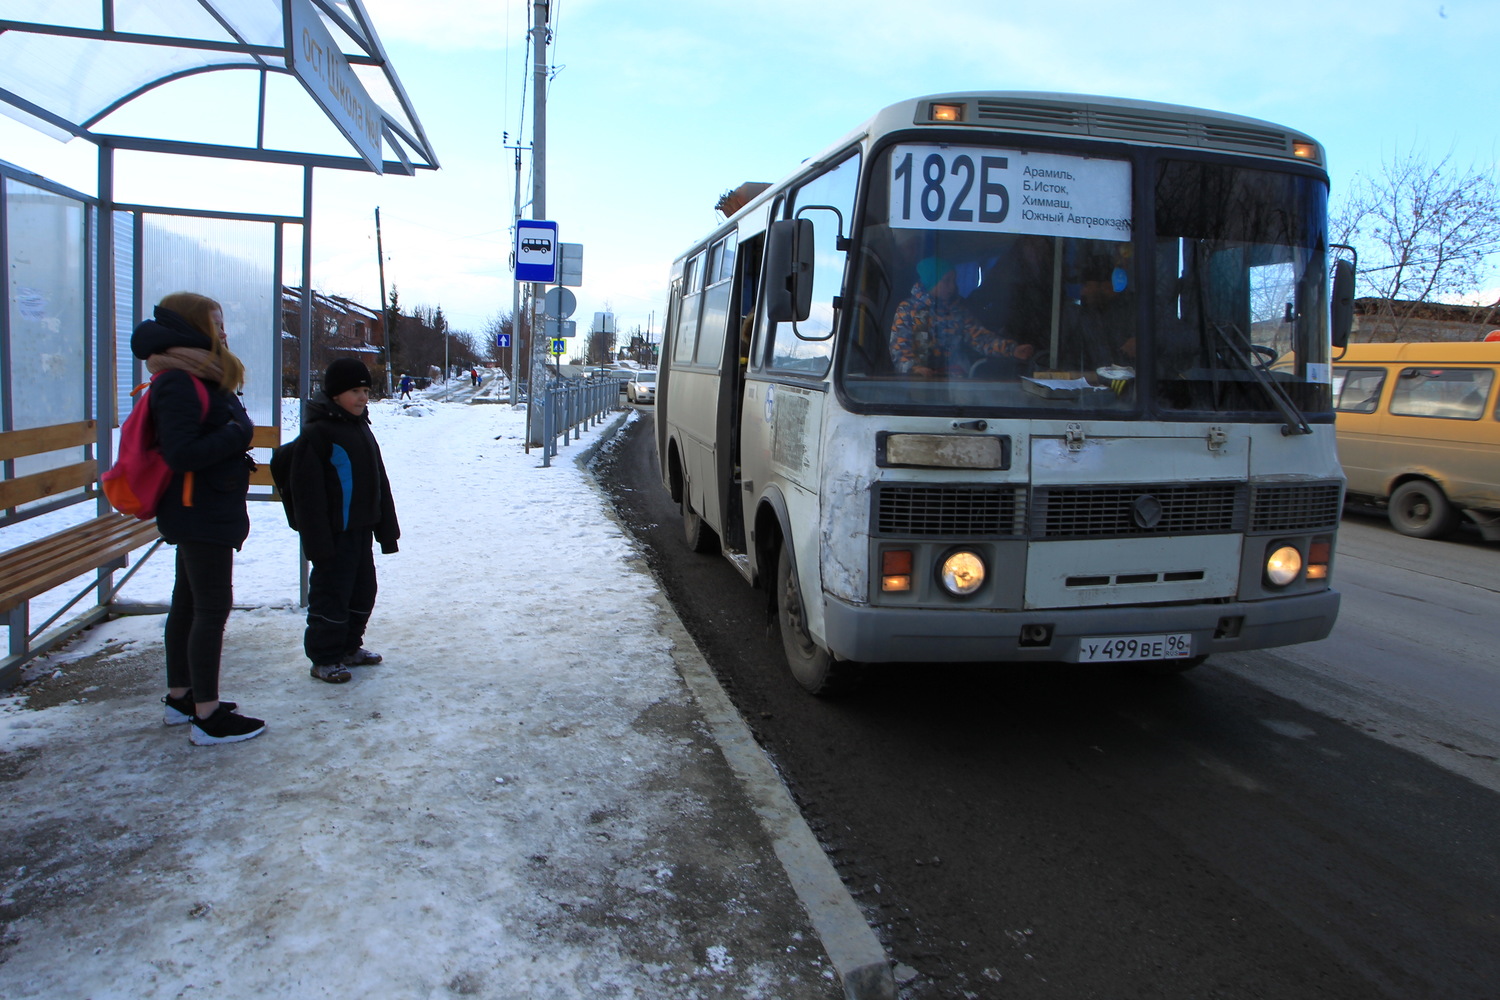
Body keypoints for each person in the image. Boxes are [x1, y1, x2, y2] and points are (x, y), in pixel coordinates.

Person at [133, 292, 266, 745]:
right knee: (210, 608)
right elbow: (181, 452)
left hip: (202, 505)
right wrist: (237, 433)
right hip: (199, 509)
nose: (223, 331)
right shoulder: (179, 380)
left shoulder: (195, 373)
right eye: (215, 322)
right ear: (192, 327)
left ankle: (182, 698)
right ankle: (207, 717)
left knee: (189, 603)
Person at [291, 358, 401, 683]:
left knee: (363, 591)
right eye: (355, 391)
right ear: (335, 393)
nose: (363, 397)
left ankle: (349, 646)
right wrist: (317, 543)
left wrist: (387, 531)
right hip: (332, 535)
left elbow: (379, 481)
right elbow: (307, 497)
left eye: (366, 390)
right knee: (331, 595)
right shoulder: (318, 434)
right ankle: (324, 657)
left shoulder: (360, 428)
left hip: (361, 530)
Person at [889, 257, 1034, 377]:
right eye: (946, 281)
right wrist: (913, 369)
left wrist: (1012, 350)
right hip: (919, 385)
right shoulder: (908, 310)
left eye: (954, 280)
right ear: (931, 281)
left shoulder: (958, 311)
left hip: (956, 384)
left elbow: (980, 338)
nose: (952, 286)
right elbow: (900, 348)